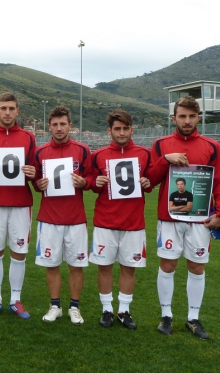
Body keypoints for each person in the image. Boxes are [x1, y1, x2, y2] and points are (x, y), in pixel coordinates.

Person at [151, 96, 220, 339]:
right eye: (182, 116)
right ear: (174, 118)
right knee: (168, 265)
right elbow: (151, 179)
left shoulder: (212, 146)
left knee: (196, 267)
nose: (187, 121)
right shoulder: (160, 144)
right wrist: (166, 160)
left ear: (199, 118)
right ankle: (166, 316)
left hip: (200, 220)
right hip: (169, 218)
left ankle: (193, 318)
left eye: (192, 116)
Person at [88, 109, 155, 330]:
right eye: (117, 128)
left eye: (126, 128)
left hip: (133, 223)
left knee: (129, 268)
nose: (122, 132)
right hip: (105, 221)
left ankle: (124, 311)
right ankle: (107, 309)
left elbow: (151, 181)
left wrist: (147, 183)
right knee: (104, 267)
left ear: (132, 129)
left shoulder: (144, 153)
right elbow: (90, 182)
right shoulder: (98, 155)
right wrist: (95, 182)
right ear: (109, 131)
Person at [0, 93, 37, 319]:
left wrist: (33, 173)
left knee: (19, 252)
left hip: (21, 204)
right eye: (3, 108)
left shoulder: (28, 137)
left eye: (12, 108)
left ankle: (15, 299)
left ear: (17, 111)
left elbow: (36, 170)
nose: (8, 112)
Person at [33, 106, 93, 325]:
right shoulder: (40, 152)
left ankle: (74, 308)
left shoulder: (83, 150)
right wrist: (38, 185)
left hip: (76, 219)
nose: (59, 128)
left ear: (70, 126)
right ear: (49, 126)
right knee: (52, 264)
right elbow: (36, 182)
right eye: (55, 124)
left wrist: (85, 182)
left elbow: (93, 179)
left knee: (76, 266)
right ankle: (55, 306)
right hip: (49, 218)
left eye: (63, 124)